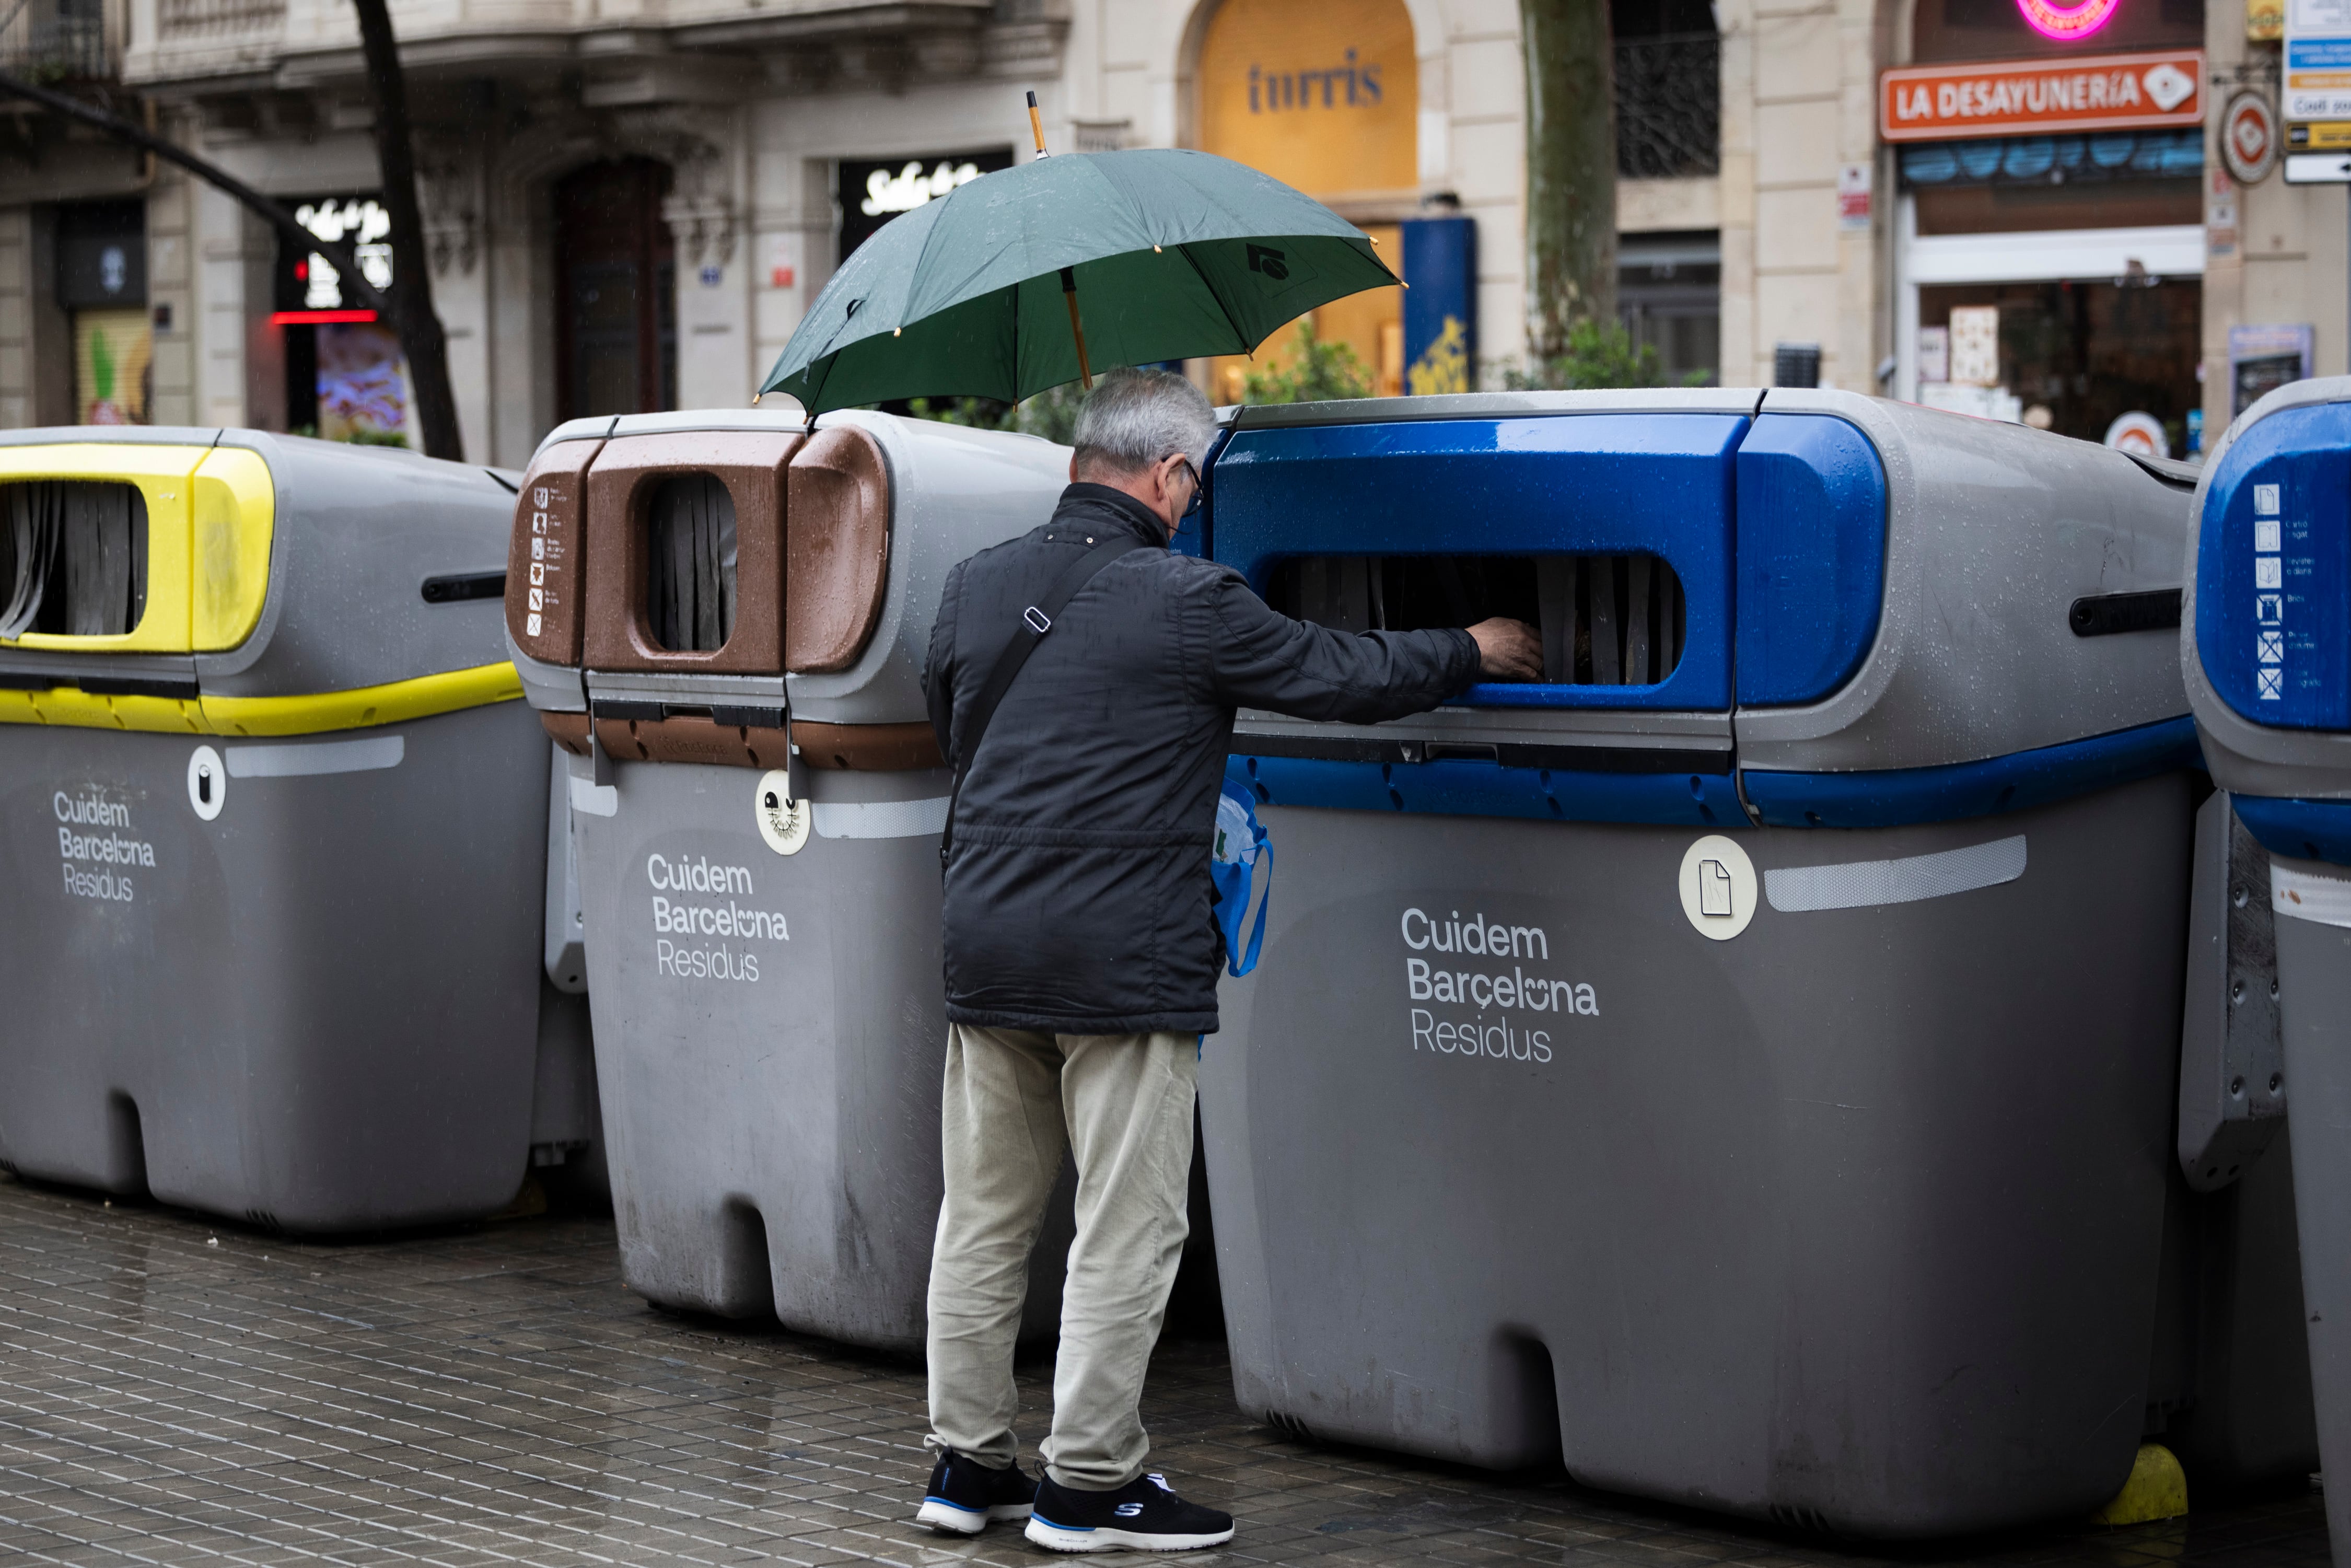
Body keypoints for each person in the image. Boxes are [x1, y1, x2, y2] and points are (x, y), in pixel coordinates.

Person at [915, 367, 1542, 1553]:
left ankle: (966, 1467)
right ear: (1172, 479)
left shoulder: (972, 586)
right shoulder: (1193, 600)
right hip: (1121, 959)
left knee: (985, 1219)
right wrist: (1470, 646)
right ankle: (1089, 1484)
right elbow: (1339, 676)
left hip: (984, 942)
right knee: (1126, 1226)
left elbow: (955, 725)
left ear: (1074, 465)